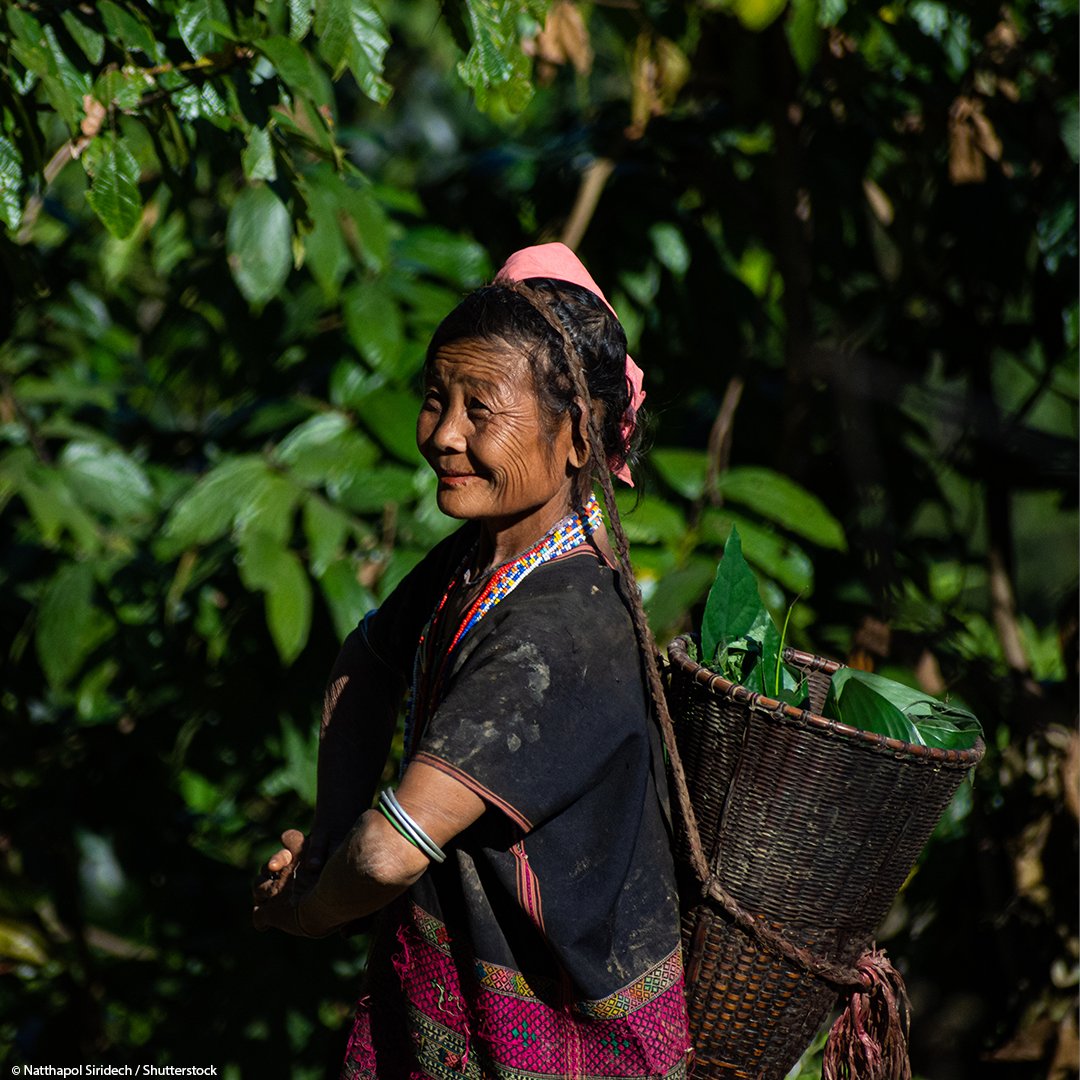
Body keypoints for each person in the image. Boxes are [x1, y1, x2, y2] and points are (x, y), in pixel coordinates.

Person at [252, 243, 691, 1080]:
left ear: (577, 437)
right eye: (433, 399)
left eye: (480, 408)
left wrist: (311, 911)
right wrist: (329, 844)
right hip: (456, 1022)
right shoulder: (478, 558)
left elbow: (390, 854)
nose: (444, 435)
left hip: (566, 1045)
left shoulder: (562, 629)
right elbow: (364, 662)